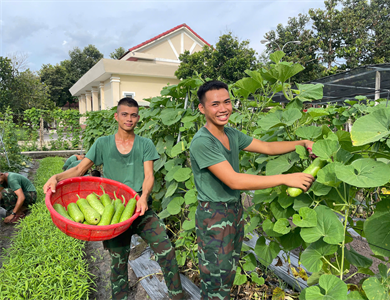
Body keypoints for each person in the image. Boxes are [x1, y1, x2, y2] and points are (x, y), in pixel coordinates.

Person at [43, 98, 183, 300]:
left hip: (141, 208)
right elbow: (80, 169)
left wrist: (143, 197)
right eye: (125, 114)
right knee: (118, 263)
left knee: (166, 249)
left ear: (138, 118)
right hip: (115, 211)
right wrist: (56, 177)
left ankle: (178, 296)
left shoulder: (145, 144)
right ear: (116, 116)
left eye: (133, 115)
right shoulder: (102, 144)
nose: (129, 118)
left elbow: (149, 175)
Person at [190, 80, 315, 300]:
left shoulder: (231, 134)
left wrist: (303, 142)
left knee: (226, 274)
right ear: (202, 108)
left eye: (227, 102)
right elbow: (235, 181)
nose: (223, 108)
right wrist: (286, 178)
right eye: (215, 104)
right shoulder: (202, 142)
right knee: (216, 279)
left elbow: (267, 147)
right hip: (214, 215)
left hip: (233, 211)